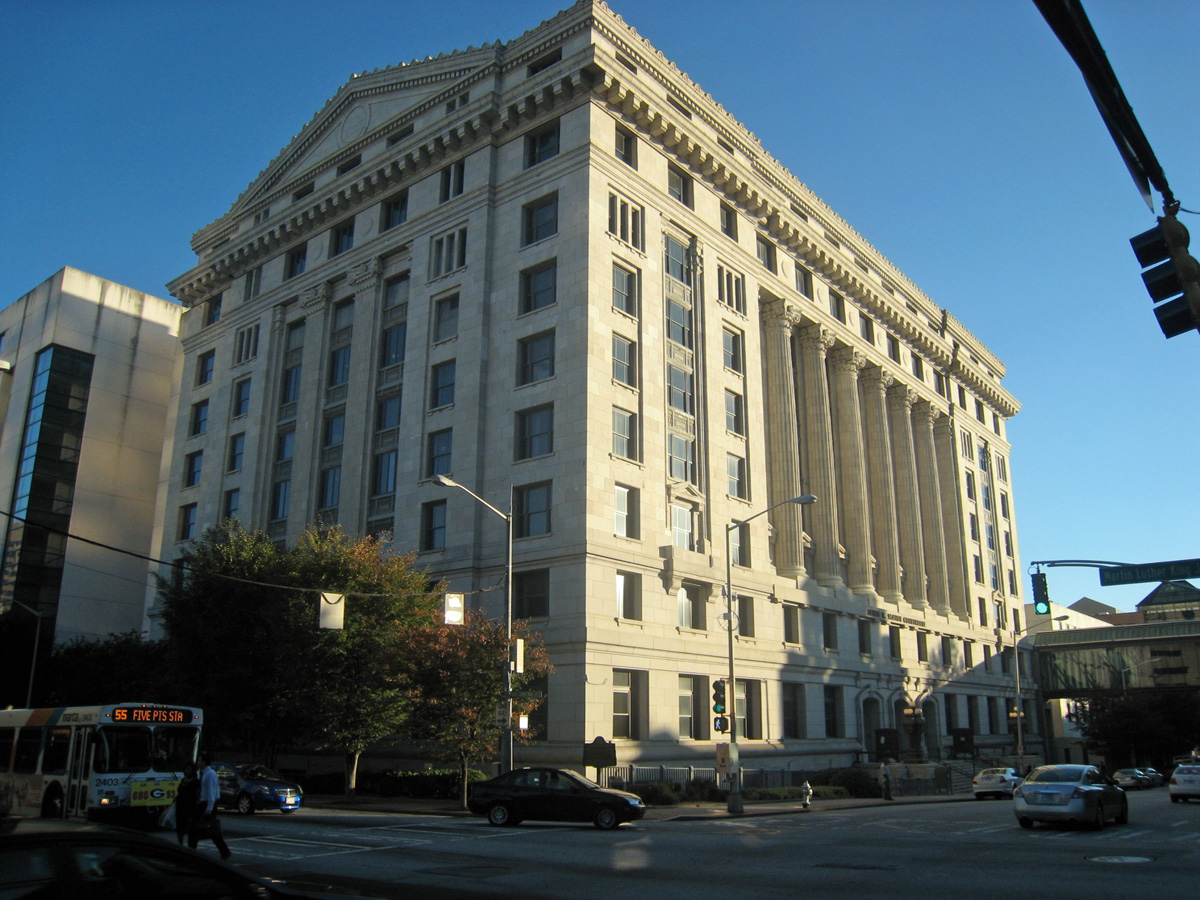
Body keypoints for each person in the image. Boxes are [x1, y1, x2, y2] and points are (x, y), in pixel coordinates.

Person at [189, 755, 231, 860]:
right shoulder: (205, 773)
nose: (198, 763)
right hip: (204, 803)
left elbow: (211, 792)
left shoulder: (210, 774)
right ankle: (224, 851)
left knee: (198, 828)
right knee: (209, 830)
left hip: (207, 804)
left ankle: (191, 852)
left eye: (199, 761)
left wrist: (209, 809)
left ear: (204, 762)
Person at [174, 762, 199, 845]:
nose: (186, 771)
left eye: (189, 769)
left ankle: (191, 846)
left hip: (189, 809)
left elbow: (197, 796)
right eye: (185, 769)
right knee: (179, 830)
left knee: (190, 829)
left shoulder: (196, 782)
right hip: (180, 808)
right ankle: (180, 845)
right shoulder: (183, 780)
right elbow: (180, 792)